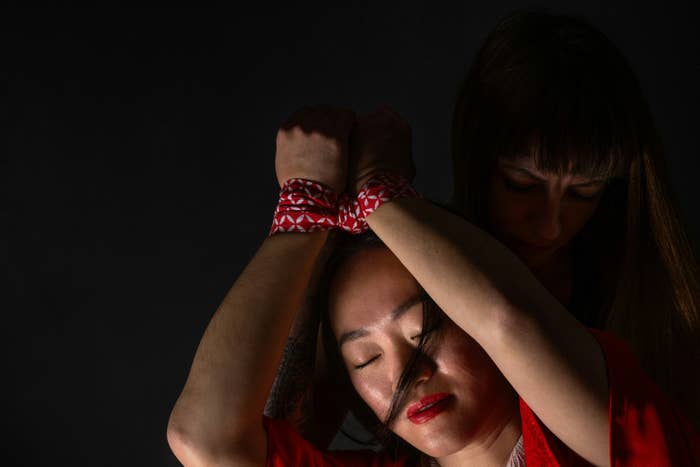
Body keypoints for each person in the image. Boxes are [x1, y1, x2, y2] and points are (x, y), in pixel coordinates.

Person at [167, 103, 700, 466]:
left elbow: (510, 321)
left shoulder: (594, 425)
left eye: (424, 330)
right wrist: (303, 214)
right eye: (365, 360)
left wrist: (378, 192)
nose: (408, 372)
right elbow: (204, 440)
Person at [449, 10, 700, 429]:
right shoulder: (416, 282)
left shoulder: (654, 304)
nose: (550, 227)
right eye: (521, 184)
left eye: (584, 193)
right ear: (477, 162)